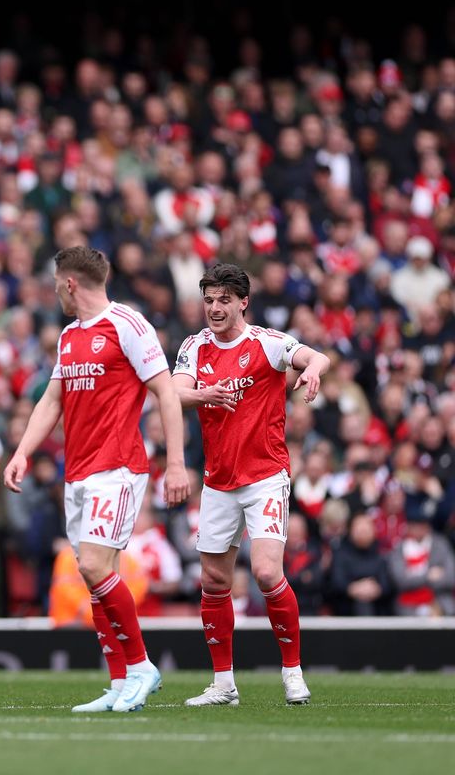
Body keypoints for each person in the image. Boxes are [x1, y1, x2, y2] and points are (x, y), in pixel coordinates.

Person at [4, 246, 190, 713]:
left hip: (119, 468)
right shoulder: (68, 336)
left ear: (70, 283)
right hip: (79, 472)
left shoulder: (128, 325)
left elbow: (166, 392)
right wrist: (23, 452)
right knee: (94, 578)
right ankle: (120, 681)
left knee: (92, 566)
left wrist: (176, 463)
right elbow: (52, 401)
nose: (54, 292)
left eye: (55, 283)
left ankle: (141, 666)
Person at [172, 262, 330, 706]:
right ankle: (224, 683)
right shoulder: (194, 347)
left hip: (264, 476)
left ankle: (293, 673)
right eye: (209, 300)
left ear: (244, 302)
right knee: (214, 581)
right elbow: (172, 389)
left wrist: (314, 370)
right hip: (218, 480)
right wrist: (203, 394)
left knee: (264, 571)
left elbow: (316, 356)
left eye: (224, 300)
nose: (215, 309)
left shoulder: (267, 343)